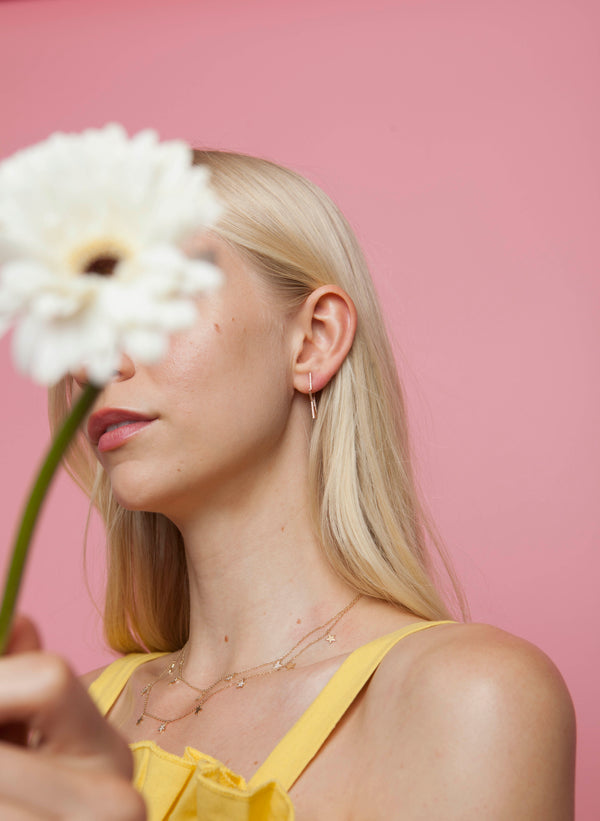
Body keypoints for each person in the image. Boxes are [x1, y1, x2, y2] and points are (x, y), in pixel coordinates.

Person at [0, 151, 575, 820]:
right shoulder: (56, 722)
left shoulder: (473, 699)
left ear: (313, 340)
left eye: (156, 298)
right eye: (83, 316)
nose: (98, 358)